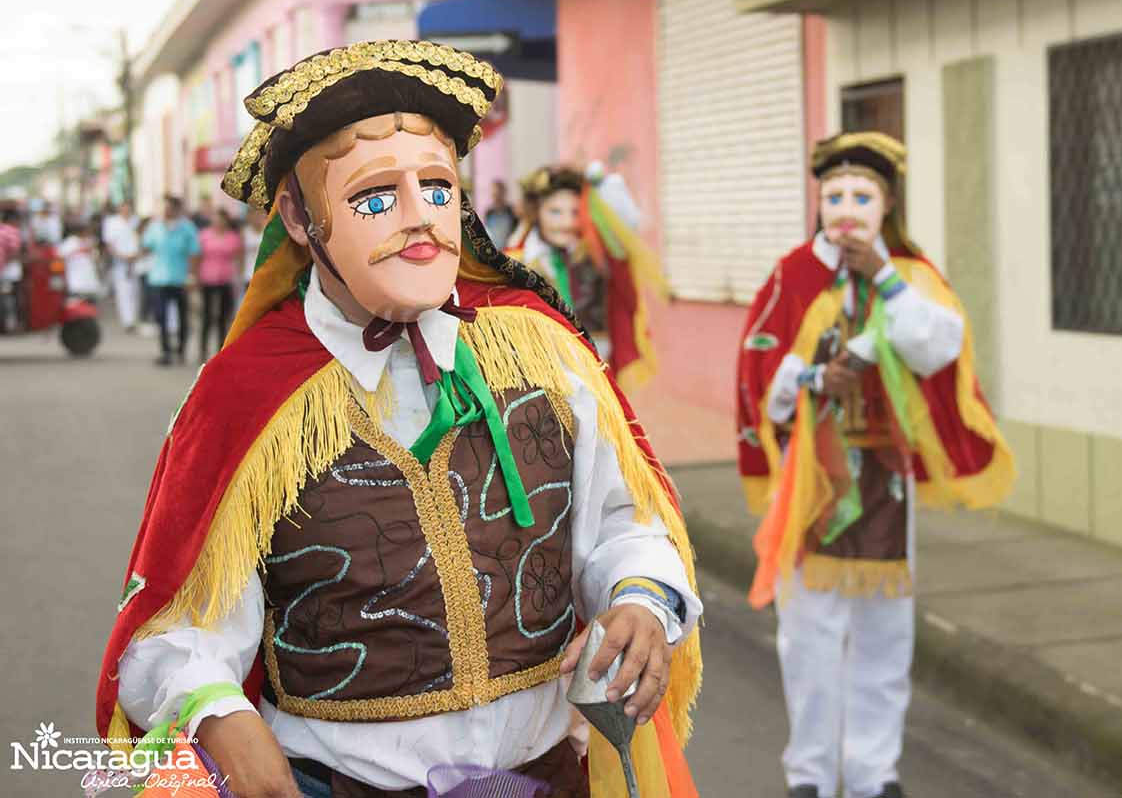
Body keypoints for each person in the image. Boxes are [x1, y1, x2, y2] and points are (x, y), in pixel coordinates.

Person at [97, 40, 703, 798]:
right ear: (297, 215)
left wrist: (642, 597)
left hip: (547, 779)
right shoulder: (242, 396)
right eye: (376, 196)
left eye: (439, 187)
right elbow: (175, 630)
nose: (420, 221)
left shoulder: (543, 348)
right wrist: (217, 713)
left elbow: (625, 521)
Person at [736, 132, 1018, 798]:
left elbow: (935, 347)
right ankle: (809, 775)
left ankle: (872, 774)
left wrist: (883, 278)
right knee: (808, 637)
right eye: (833, 195)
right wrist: (811, 376)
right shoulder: (793, 274)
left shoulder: (910, 275)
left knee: (884, 638)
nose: (846, 208)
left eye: (862, 195)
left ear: (887, 205)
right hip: (815, 476)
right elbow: (760, 363)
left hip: (885, 478)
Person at [510, 162, 664, 390]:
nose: (566, 222)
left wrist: (604, 188)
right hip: (543, 369)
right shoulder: (519, 260)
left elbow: (628, 225)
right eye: (555, 212)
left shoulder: (595, 253)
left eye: (574, 212)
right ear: (536, 212)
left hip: (594, 361)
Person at [142, 195, 200, 366]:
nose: (165, 210)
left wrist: (192, 275)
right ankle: (166, 351)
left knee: (183, 316)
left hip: (180, 278)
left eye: (168, 207)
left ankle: (181, 349)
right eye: (163, 207)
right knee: (161, 316)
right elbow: (146, 247)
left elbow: (194, 253)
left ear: (176, 209)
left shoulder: (187, 228)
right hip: (159, 278)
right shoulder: (155, 227)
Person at [196, 207, 244, 361]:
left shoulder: (233, 237)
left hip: (226, 279)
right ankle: (202, 350)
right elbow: (197, 256)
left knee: (223, 317)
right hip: (207, 278)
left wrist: (239, 276)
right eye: (216, 218)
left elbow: (239, 257)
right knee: (207, 316)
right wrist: (194, 276)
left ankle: (221, 350)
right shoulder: (204, 236)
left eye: (221, 219)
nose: (218, 222)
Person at [101, 201, 142, 331]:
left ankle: (134, 319)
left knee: (135, 292)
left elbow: (142, 238)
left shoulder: (136, 221)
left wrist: (136, 255)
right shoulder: (111, 222)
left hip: (136, 261)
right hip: (120, 262)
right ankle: (127, 321)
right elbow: (109, 244)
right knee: (123, 292)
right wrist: (122, 256)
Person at [59, 221, 103, 301]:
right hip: (76, 284)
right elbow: (61, 255)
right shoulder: (70, 242)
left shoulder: (90, 242)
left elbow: (96, 258)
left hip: (90, 283)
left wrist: (91, 250)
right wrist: (79, 250)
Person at [482, 178, 518, 247]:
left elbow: (515, 233)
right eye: (494, 195)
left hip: (509, 250)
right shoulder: (489, 213)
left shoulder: (511, 212)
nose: (496, 198)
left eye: (498, 194)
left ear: (503, 193)